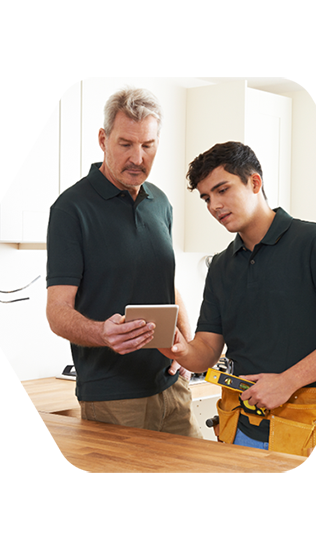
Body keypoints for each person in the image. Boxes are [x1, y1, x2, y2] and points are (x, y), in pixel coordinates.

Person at [160, 141, 316, 454]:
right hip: (240, 425)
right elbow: (206, 351)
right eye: (206, 198)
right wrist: (179, 348)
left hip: (307, 427)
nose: (214, 205)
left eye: (223, 190)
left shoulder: (315, 242)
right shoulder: (220, 265)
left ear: (255, 182)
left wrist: (287, 382)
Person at [46, 87, 202, 439]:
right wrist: (102, 332)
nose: (138, 157)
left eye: (148, 145)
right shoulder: (71, 209)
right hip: (112, 398)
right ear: (103, 139)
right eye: (126, 144)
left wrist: (187, 346)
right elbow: (57, 311)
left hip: (171, 386)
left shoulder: (160, 202)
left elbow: (166, 282)